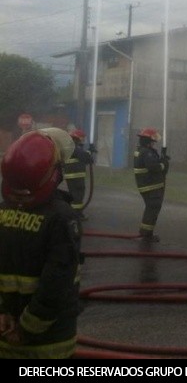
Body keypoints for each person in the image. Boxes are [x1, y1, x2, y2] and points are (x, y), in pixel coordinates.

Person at [0, 128, 82, 359]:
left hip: (5, 336)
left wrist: (3, 312)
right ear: (52, 173)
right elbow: (57, 282)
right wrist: (27, 328)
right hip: (48, 342)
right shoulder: (61, 218)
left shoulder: (2, 211)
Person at [133, 127, 169, 243]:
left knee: (151, 209)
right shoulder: (147, 153)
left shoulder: (142, 151)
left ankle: (145, 233)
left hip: (148, 186)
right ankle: (146, 235)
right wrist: (164, 164)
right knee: (152, 209)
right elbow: (153, 167)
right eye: (153, 141)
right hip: (151, 187)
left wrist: (161, 159)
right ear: (148, 141)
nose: (154, 143)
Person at [63, 129, 93, 221]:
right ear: (77, 138)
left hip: (72, 176)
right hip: (76, 177)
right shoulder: (74, 147)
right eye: (82, 139)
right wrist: (90, 152)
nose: (82, 141)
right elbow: (86, 158)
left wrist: (88, 152)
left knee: (74, 196)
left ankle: (73, 213)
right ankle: (77, 215)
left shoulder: (69, 147)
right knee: (78, 197)